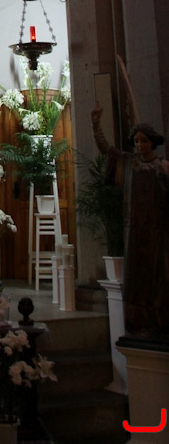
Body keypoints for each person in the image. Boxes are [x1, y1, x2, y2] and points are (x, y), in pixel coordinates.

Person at [91, 99, 169, 336]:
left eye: (143, 141)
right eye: (136, 141)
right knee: (136, 279)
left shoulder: (162, 168)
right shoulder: (130, 164)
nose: (139, 145)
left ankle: (159, 323)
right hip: (134, 231)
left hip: (157, 232)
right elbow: (107, 150)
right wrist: (96, 126)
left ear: (152, 142)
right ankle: (138, 324)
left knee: (157, 278)